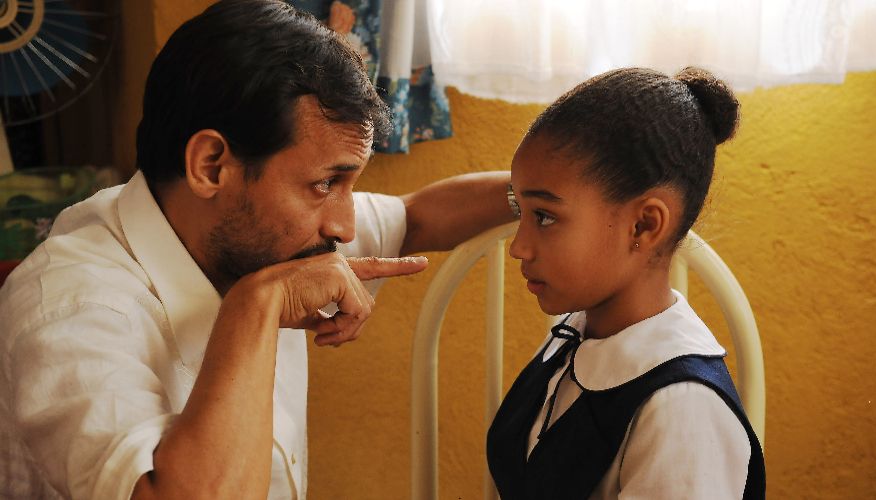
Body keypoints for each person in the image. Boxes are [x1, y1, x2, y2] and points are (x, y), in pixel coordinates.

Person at [0, 1, 515, 498]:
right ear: (210, 166)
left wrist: (557, 188)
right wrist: (256, 305)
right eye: (324, 183)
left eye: (350, 184)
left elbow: (421, 215)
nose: (345, 225)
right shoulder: (72, 307)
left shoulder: (264, 233)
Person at [486, 67, 765, 499]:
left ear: (643, 225)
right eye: (517, 210)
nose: (518, 247)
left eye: (544, 217)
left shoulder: (681, 411)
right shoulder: (576, 334)